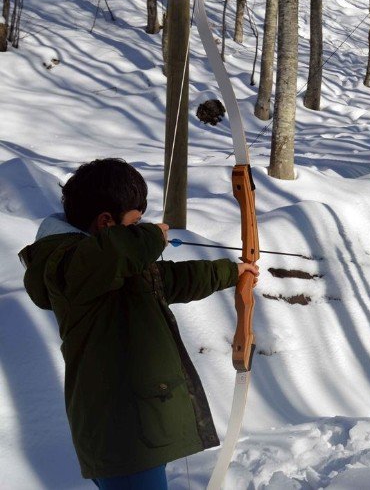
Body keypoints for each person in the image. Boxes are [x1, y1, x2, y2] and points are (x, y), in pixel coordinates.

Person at [18, 158, 259, 489]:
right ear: (106, 222)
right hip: (120, 435)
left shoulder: (110, 267)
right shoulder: (70, 267)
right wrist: (149, 236)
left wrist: (230, 272)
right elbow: (117, 251)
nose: (142, 228)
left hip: (131, 431)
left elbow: (170, 278)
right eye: (135, 221)